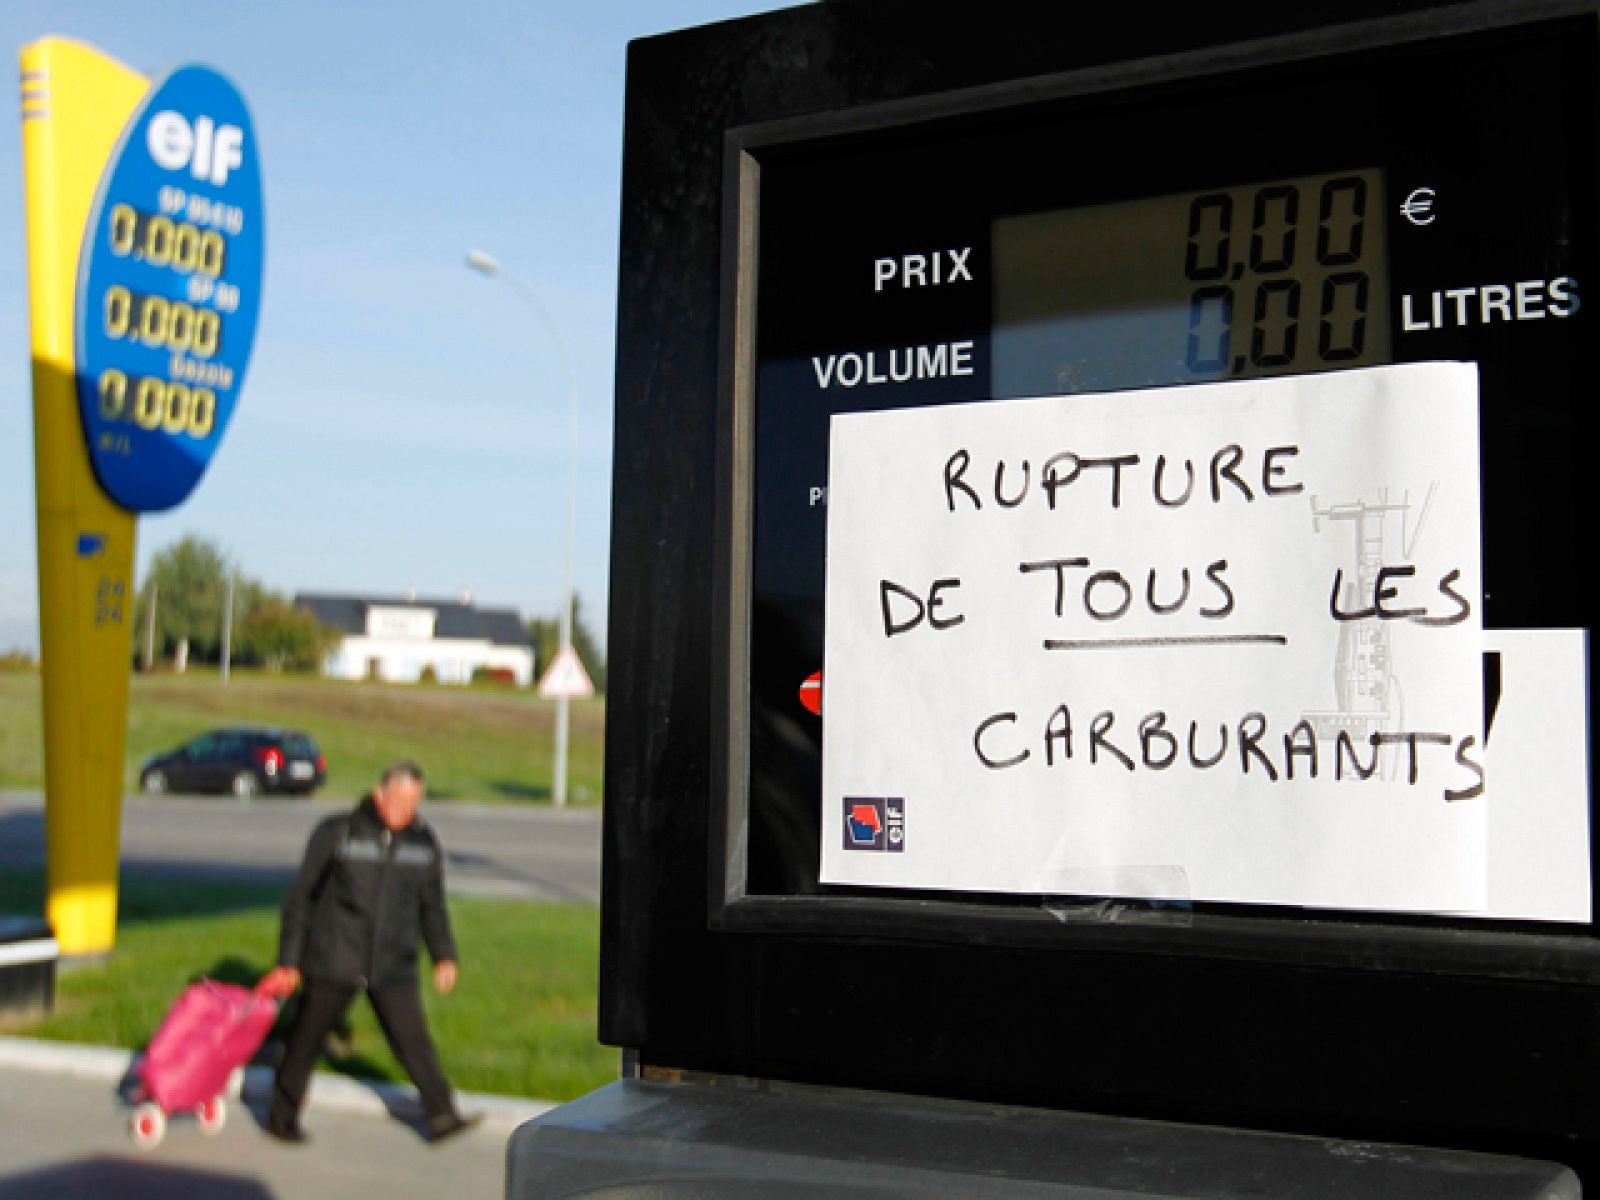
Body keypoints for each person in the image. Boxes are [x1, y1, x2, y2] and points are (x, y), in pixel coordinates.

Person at [260, 760, 479, 1144]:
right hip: (334, 959)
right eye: (398, 800)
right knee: (305, 1041)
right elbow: (301, 900)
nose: (405, 810)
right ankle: (282, 1118)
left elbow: (432, 905)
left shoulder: (423, 843)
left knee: (414, 1041)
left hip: (393, 963)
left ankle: (442, 1115)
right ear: (380, 794)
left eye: (413, 803)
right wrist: (288, 962)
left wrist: (444, 956)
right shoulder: (337, 832)